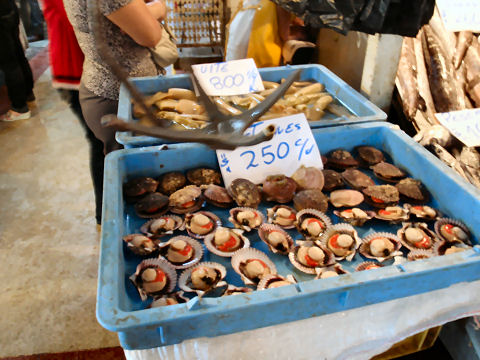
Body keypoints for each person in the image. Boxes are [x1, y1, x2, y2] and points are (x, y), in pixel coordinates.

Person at [63, 0, 167, 224]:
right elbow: (149, 35)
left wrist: (143, 13)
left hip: (106, 89)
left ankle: (108, 219)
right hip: (118, 96)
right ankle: (116, 225)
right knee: (135, 184)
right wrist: (159, 8)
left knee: (114, 165)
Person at [42, 0, 106, 226]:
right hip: (78, 74)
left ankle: (106, 211)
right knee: (101, 143)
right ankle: (106, 213)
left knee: (103, 143)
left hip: (83, 71)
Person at [0, 0, 35, 121]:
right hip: (9, 9)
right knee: (18, 54)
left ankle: (20, 108)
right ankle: (28, 93)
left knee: (9, 63)